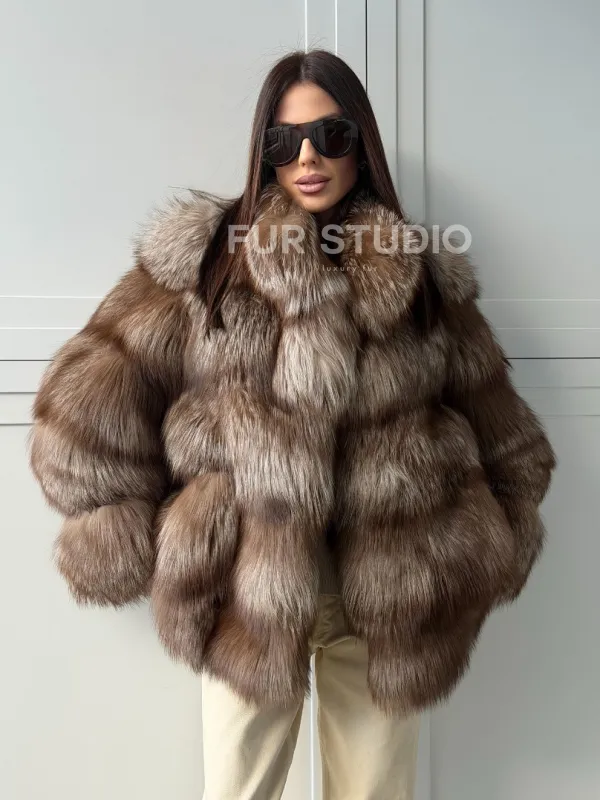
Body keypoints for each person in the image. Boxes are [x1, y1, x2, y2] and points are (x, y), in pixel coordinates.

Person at [28, 48, 557, 799]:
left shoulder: (420, 276)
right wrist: (123, 527)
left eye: (330, 136)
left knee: (374, 794)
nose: (307, 158)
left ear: (361, 144)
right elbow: (86, 402)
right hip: (243, 588)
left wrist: (490, 539)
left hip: (391, 593)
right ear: (265, 151)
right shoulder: (207, 259)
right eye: (284, 141)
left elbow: (505, 433)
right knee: (238, 792)